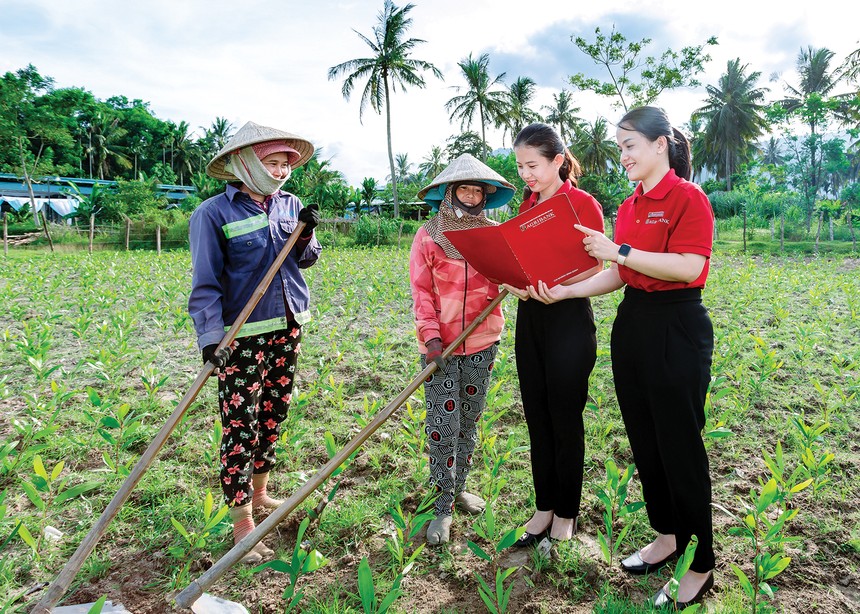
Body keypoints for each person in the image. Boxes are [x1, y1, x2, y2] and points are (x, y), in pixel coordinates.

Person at [529, 106, 715, 608]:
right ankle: (667, 536)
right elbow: (619, 272)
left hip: (677, 324)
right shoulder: (631, 204)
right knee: (645, 438)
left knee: (679, 444)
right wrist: (568, 294)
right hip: (633, 323)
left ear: (660, 145)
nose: (623, 156)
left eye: (630, 145)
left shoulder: (687, 198)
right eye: (619, 147)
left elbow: (689, 266)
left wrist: (620, 252)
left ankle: (700, 564)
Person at [188, 121, 321, 564]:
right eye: (273, 162)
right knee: (240, 425)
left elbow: (305, 259)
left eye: (286, 163)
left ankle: (261, 495)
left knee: (273, 413)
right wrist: (210, 339)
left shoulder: (292, 205)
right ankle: (242, 522)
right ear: (245, 163)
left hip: (288, 324)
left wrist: (305, 234)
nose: (283, 170)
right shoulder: (212, 214)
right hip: (241, 337)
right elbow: (206, 284)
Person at [501, 123, 604, 551]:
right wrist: (514, 281)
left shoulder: (582, 204)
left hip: (567, 319)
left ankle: (566, 512)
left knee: (564, 419)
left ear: (558, 161)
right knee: (536, 416)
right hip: (531, 319)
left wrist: (558, 288)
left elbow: (597, 266)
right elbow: (517, 258)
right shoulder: (525, 206)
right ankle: (543, 507)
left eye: (533, 165)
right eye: (521, 166)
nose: (526, 174)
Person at [410, 153, 515, 545]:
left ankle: (458, 490)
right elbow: (421, 290)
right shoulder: (429, 236)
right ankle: (442, 507)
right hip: (442, 347)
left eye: (477, 190)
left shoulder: (492, 233)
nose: (471, 196)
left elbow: (508, 275)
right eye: (464, 188)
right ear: (449, 192)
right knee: (443, 426)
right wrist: (431, 336)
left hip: (483, 341)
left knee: (468, 421)